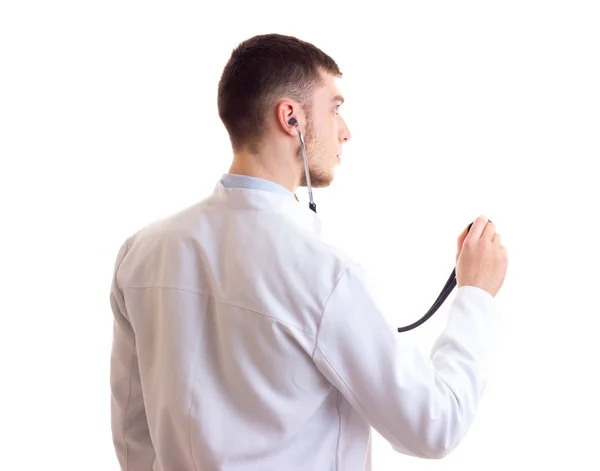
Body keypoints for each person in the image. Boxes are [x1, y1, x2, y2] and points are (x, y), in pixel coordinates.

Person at [109, 33, 508, 471]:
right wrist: (475, 296)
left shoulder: (141, 252)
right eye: (335, 108)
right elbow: (434, 425)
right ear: (291, 117)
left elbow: (133, 435)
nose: (345, 131)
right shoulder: (326, 275)